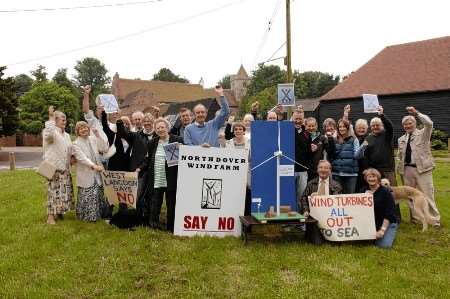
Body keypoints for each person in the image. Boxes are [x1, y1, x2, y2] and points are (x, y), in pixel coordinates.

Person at [137, 118, 184, 231]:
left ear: (167, 128)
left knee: (171, 204)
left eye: (162, 127)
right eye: (157, 128)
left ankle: (171, 227)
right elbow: (147, 160)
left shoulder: (177, 140)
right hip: (157, 177)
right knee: (155, 203)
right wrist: (139, 168)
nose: (160, 129)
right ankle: (154, 224)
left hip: (171, 178)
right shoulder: (152, 142)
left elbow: (187, 155)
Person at [397, 106, 440, 228]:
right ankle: (416, 218)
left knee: (427, 194)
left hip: (422, 169)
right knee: (409, 195)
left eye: (410, 123)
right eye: (405, 125)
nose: (407, 126)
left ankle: (435, 220)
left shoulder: (423, 134)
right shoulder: (401, 139)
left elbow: (429, 123)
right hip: (407, 170)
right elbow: (400, 156)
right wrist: (400, 170)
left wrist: (416, 113)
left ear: (415, 123)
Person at [42, 106, 74, 225]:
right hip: (54, 167)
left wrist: (73, 157)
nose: (65, 121)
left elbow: (70, 149)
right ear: (55, 120)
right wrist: (50, 117)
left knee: (63, 191)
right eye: (62, 119)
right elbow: (49, 135)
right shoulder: (50, 131)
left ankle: (59, 211)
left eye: (65, 119)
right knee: (53, 191)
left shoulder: (66, 135)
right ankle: (50, 216)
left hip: (65, 168)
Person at [72, 121, 109, 222]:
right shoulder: (75, 144)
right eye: (81, 128)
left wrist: (97, 135)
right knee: (88, 194)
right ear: (77, 131)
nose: (84, 129)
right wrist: (94, 166)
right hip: (87, 173)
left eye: (85, 127)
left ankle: (99, 214)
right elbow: (82, 158)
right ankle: (88, 216)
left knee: (98, 193)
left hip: (97, 173)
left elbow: (104, 148)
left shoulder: (93, 139)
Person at [364, 168, 398, 249]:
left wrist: (382, 230)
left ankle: (388, 232)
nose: (371, 179)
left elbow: (389, 213)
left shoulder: (385, 192)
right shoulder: (363, 191)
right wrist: (364, 196)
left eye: (374, 176)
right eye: (369, 176)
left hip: (387, 222)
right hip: (373, 223)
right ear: (366, 179)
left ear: (378, 178)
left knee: (384, 245)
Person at [224, 122, 251, 215]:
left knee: (247, 200)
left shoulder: (250, 142)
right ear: (233, 131)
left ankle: (247, 222)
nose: (238, 131)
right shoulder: (228, 143)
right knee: (234, 200)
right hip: (233, 177)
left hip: (247, 177)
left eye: (240, 129)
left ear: (244, 131)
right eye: (236, 129)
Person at [342, 104, 369, 191]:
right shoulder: (353, 137)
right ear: (356, 128)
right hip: (354, 168)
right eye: (359, 128)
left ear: (366, 129)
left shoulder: (369, 138)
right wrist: (346, 113)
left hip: (365, 168)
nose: (361, 130)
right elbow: (346, 125)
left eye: (363, 128)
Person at [329, 119, 360, 194]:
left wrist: (361, 151)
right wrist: (331, 140)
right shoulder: (334, 139)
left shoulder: (354, 139)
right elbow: (331, 154)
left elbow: (357, 155)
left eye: (344, 126)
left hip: (351, 173)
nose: (342, 128)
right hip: (337, 173)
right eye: (340, 127)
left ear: (348, 128)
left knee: (350, 197)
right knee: (337, 197)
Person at [292, 107, 313, 200]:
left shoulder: (307, 134)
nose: (298, 121)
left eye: (300, 119)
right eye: (296, 119)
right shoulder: (287, 131)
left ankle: (300, 213)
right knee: (290, 194)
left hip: (303, 170)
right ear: (292, 119)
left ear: (303, 120)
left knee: (301, 195)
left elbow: (309, 152)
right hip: (289, 169)